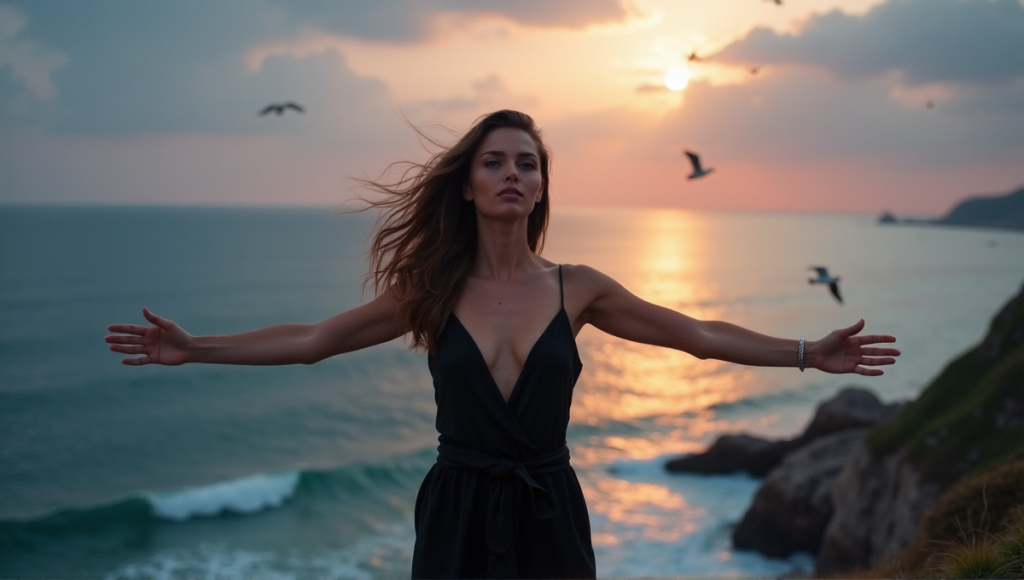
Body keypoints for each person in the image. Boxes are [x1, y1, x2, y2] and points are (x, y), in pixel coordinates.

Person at [106, 109, 900, 579]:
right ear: (468, 183)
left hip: (550, 511)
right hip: (456, 511)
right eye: (495, 162)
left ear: (543, 186)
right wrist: (196, 347)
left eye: (528, 163)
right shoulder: (432, 292)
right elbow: (314, 341)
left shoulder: (577, 286)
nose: (513, 173)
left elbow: (693, 334)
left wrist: (805, 351)